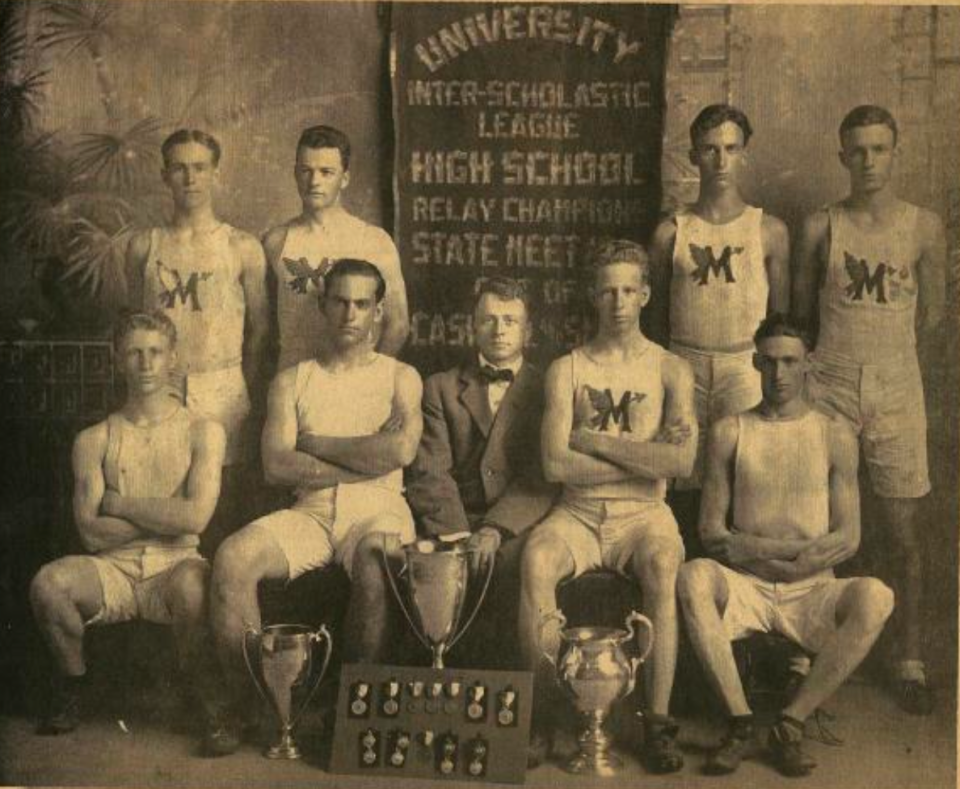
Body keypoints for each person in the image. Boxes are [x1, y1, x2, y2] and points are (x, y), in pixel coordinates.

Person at [210, 259, 422, 752]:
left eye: (362, 304)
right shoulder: (292, 380)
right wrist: (364, 454)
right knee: (232, 558)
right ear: (324, 306)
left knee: (376, 552)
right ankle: (254, 708)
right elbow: (277, 467)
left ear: (379, 311)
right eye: (340, 301)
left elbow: (399, 453)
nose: (350, 313)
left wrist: (314, 441)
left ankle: (352, 712)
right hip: (309, 511)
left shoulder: (401, 377)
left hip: (379, 507)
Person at [678, 313, 894, 777]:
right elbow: (712, 534)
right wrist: (782, 552)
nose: (779, 374)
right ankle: (739, 722)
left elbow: (847, 537)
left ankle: (789, 724)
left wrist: (758, 548)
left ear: (808, 365)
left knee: (877, 596)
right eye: (770, 362)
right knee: (692, 575)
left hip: (811, 589)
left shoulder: (833, 433)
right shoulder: (730, 431)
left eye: (790, 362)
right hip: (748, 588)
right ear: (755, 363)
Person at [519, 240, 697, 772]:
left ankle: (658, 723)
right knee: (535, 559)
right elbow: (555, 465)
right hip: (576, 511)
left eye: (628, 290)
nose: (618, 301)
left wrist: (593, 441)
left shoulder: (671, 369)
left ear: (645, 294)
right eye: (607, 291)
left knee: (664, 564)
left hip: (644, 514)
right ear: (592, 297)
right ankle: (547, 716)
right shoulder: (566, 369)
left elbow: (682, 463)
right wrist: (649, 456)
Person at [793, 105, 946, 715]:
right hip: (829, 379)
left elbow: (933, 318)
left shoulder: (924, 226)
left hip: (896, 384)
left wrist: (896, 371)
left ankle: (907, 660)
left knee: (902, 530)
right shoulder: (820, 226)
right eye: (857, 150)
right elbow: (800, 316)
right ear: (841, 156)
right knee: (816, 519)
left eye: (880, 149)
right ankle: (807, 651)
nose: (869, 162)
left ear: (895, 152)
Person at [29, 311, 227, 750]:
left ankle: (205, 699)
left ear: (173, 357)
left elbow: (195, 521)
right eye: (134, 353)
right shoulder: (95, 438)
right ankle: (72, 688)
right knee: (48, 584)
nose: (146, 363)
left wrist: (120, 504)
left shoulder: (203, 430)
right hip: (113, 570)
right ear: (117, 359)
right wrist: (164, 518)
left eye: (155, 352)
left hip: (176, 565)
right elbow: (91, 534)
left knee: (196, 588)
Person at [346, 277, 557, 664]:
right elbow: (429, 472)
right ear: (472, 327)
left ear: (528, 331)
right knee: (433, 570)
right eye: (489, 320)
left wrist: (495, 531)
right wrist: (459, 537)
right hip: (453, 525)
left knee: (529, 569)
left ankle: (531, 700)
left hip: (519, 528)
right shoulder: (439, 388)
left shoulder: (549, 389)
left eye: (510, 321)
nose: (499, 330)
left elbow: (540, 477)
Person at [649, 104, 789, 552]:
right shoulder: (671, 231)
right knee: (683, 477)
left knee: (744, 478)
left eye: (731, 149)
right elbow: (653, 322)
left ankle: (736, 590)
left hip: (742, 363)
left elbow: (782, 322)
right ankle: (685, 583)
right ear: (693, 156)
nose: (721, 161)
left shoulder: (768, 229)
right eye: (710, 150)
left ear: (744, 154)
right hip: (684, 359)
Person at [125, 129, 270, 555]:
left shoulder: (242, 246)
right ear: (165, 175)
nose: (190, 178)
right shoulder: (143, 246)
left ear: (216, 174)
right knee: (164, 504)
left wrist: (244, 387)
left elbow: (260, 331)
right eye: (180, 168)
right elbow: (136, 326)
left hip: (223, 387)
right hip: (161, 388)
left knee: (223, 511)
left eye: (200, 168)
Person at [263, 124, 410, 370]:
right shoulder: (276, 241)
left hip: (353, 383)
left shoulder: (373, 239)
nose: (314, 181)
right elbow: (263, 329)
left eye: (326, 172)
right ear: (295, 174)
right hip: (294, 381)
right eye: (306, 171)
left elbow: (398, 324)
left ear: (345, 178)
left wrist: (365, 377)